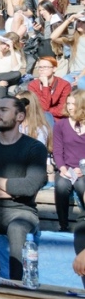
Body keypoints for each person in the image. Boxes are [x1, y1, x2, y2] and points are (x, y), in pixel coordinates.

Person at [0, 97, 48, 280]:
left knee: (17, 228)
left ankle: (18, 287)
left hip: (22, 211)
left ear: (19, 116)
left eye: (3, 110)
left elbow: (29, 188)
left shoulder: (35, 148)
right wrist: (13, 190)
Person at [53, 89, 85, 231]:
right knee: (61, 185)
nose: (70, 107)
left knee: (81, 185)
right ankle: (63, 225)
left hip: (83, 169)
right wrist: (63, 168)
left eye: (74, 104)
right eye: (68, 103)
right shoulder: (61, 125)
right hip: (67, 168)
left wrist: (82, 169)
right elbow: (57, 151)